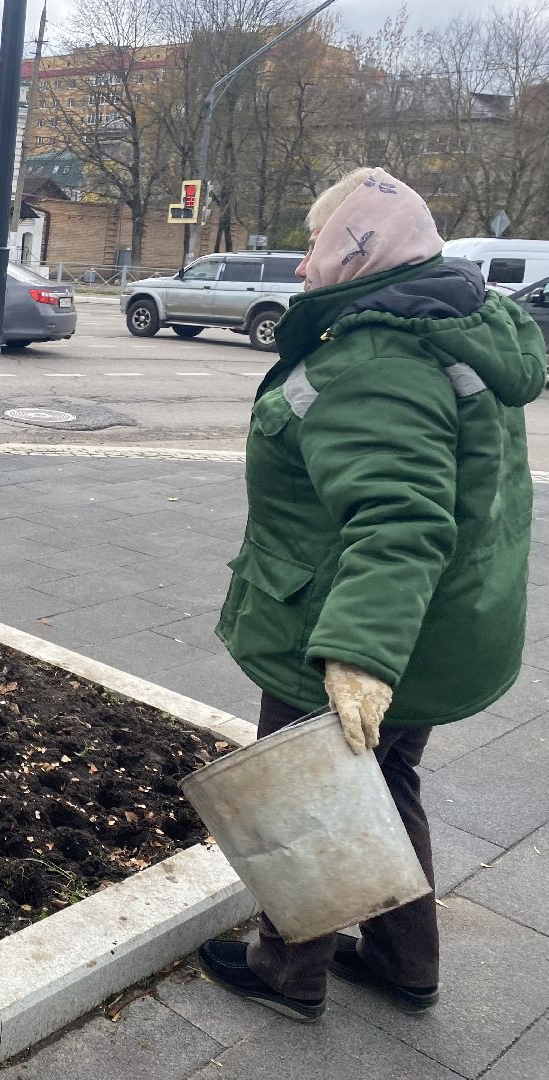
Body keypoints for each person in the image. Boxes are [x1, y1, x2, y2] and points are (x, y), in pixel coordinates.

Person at [201, 167, 545, 1022]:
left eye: (317, 243)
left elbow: (399, 519)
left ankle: (288, 970)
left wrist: (359, 657)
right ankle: (404, 960)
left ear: (362, 249)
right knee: (387, 783)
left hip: (357, 623)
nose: (304, 263)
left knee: (310, 790)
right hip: (439, 623)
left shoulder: (377, 353)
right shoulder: (456, 324)